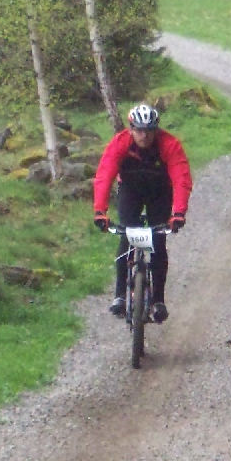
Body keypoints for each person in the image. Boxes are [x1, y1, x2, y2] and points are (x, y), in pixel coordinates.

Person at [92, 104, 193, 323]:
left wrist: (178, 213)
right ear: (130, 129)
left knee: (157, 241)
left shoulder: (169, 145)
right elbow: (104, 175)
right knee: (126, 237)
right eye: (138, 130)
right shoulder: (120, 143)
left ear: (156, 130)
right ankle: (119, 296)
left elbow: (181, 178)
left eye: (149, 130)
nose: (144, 135)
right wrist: (100, 210)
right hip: (131, 190)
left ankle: (158, 301)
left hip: (160, 192)